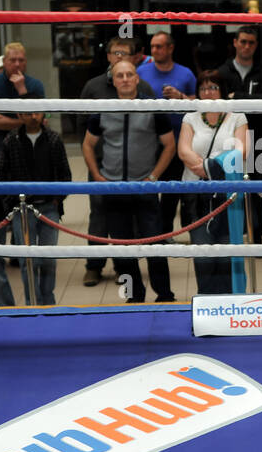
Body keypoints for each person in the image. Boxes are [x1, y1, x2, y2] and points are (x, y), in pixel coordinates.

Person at [83, 59, 176, 303]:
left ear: (137, 78)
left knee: (154, 243)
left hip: (144, 187)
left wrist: (154, 176)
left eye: (129, 74)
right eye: (120, 75)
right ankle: (134, 296)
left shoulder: (152, 107)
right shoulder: (103, 108)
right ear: (113, 81)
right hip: (114, 188)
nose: (125, 79)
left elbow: (169, 145)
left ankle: (164, 294)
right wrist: (98, 176)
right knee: (123, 248)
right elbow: (87, 145)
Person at [78, 37, 153, 287]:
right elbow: (81, 125)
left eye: (125, 53)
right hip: (100, 163)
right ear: (108, 56)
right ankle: (94, 266)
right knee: (98, 214)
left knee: (130, 218)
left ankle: (126, 269)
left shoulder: (143, 89)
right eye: (115, 52)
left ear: (134, 58)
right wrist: (94, 165)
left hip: (134, 167)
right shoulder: (93, 86)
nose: (120, 57)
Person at [0, 42, 46, 306]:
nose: (17, 65)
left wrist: (23, 93)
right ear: (4, 61)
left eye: (21, 60)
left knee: (27, 248)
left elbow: (41, 120)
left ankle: (36, 304)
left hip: (26, 171)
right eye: (13, 61)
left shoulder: (35, 85)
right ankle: (3, 306)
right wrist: (27, 118)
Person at [178, 70, 248, 294]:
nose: (208, 92)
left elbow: (241, 151)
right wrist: (212, 169)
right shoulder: (190, 117)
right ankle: (208, 305)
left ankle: (230, 305)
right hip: (196, 193)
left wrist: (206, 167)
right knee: (203, 256)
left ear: (224, 92)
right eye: (203, 88)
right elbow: (183, 151)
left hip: (229, 194)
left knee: (228, 253)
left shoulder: (237, 116)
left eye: (213, 87)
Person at [0, 110, 71, 305]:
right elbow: (0, 174)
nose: (33, 116)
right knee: (27, 261)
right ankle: (32, 303)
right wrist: (12, 202)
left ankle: (48, 302)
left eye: (36, 112)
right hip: (22, 210)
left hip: (49, 207)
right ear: (20, 115)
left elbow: (65, 174)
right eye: (28, 113)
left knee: (48, 259)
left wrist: (56, 198)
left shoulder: (53, 139)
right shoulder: (11, 140)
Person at [214, 25, 262, 245]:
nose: (246, 46)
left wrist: (236, 97)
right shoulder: (222, 72)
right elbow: (218, 103)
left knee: (257, 189)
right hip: (227, 140)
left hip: (258, 140)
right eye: (243, 41)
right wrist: (249, 101)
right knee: (229, 186)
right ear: (235, 43)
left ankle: (255, 236)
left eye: (251, 42)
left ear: (255, 45)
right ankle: (231, 237)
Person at [137, 31, 196, 241]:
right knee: (150, 185)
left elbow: (197, 102)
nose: (154, 51)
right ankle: (151, 232)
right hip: (148, 140)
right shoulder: (140, 72)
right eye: (152, 46)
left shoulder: (186, 74)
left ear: (171, 48)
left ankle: (166, 232)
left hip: (179, 139)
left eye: (159, 46)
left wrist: (180, 97)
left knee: (172, 188)